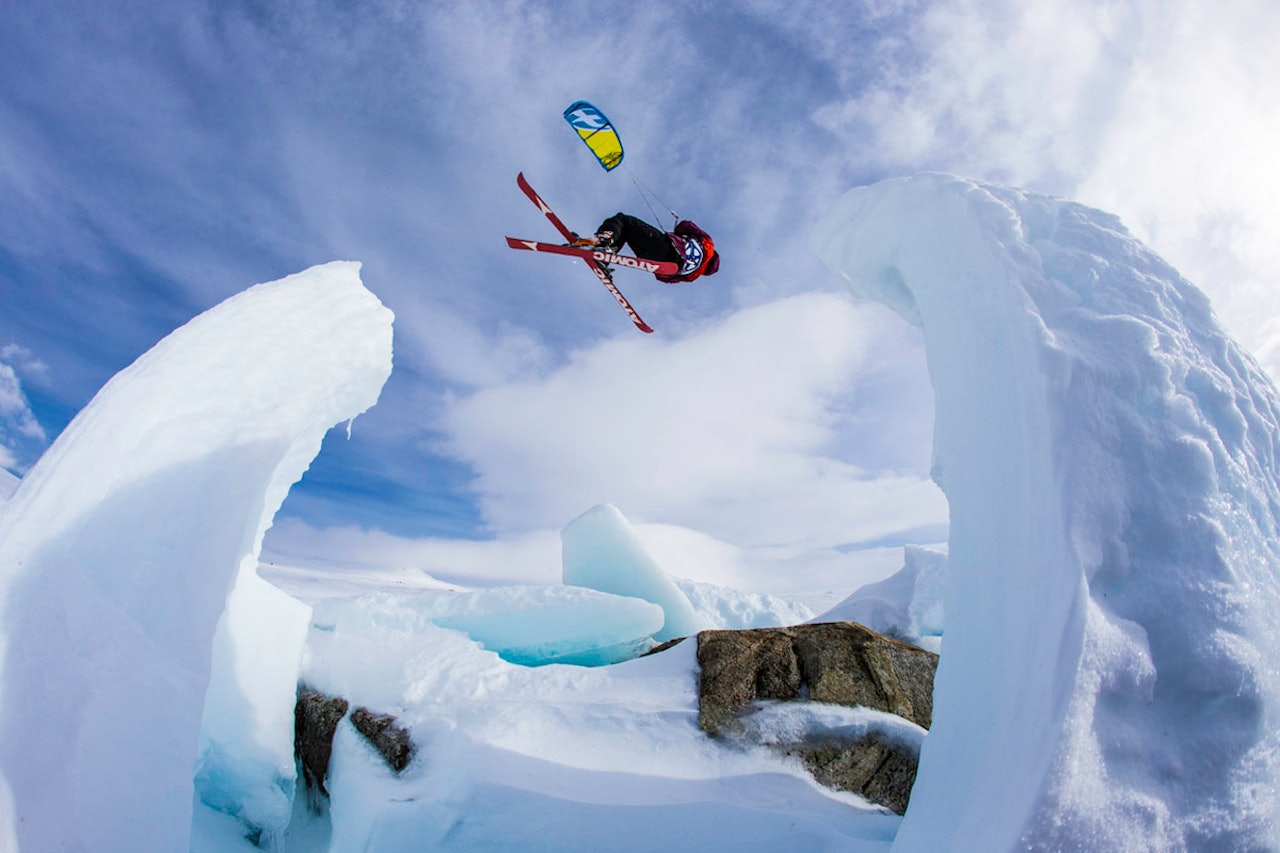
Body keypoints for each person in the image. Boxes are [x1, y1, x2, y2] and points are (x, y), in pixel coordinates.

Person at [573, 213, 720, 283]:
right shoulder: (692, 276)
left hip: (666, 247)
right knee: (627, 232)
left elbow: (685, 225)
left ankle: (604, 243)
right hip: (658, 262)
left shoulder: (708, 244)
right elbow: (664, 277)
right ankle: (605, 255)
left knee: (624, 221)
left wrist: (679, 234)